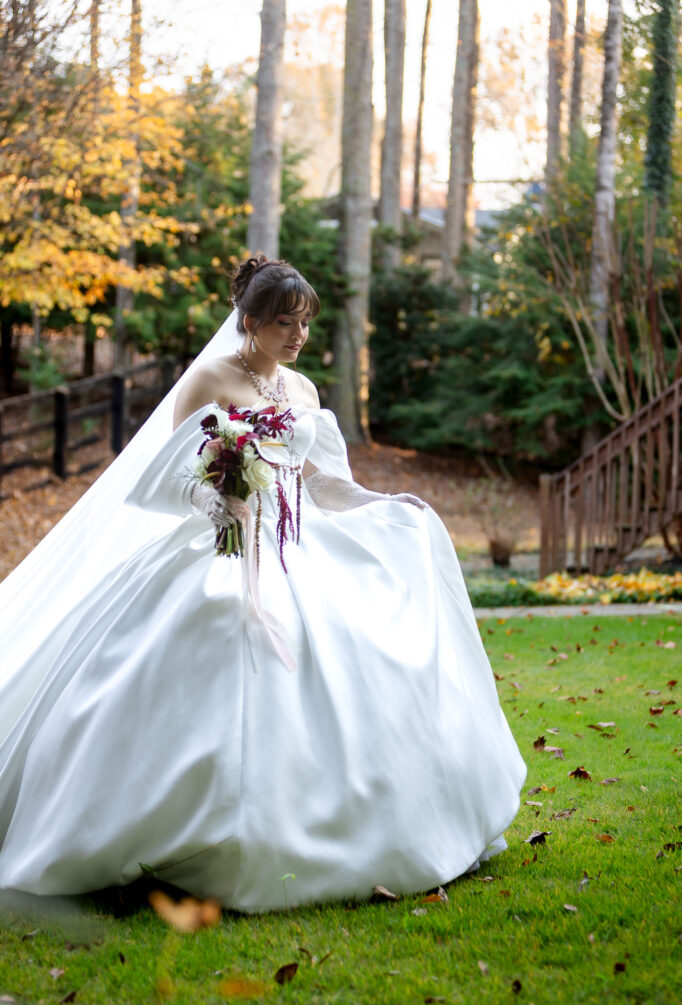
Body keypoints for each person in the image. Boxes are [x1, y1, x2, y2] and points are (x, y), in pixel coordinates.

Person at [0, 255, 525, 912]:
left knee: (355, 630)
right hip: (224, 537)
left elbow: (314, 480)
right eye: (285, 322)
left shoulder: (302, 391)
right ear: (249, 321)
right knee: (217, 618)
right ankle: (181, 828)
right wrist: (226, 503)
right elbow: (178, 473)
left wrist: (379, 500)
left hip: (297, 534)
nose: (298, 335)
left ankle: (356, 820)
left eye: (305, 323)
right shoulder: (209, 381)